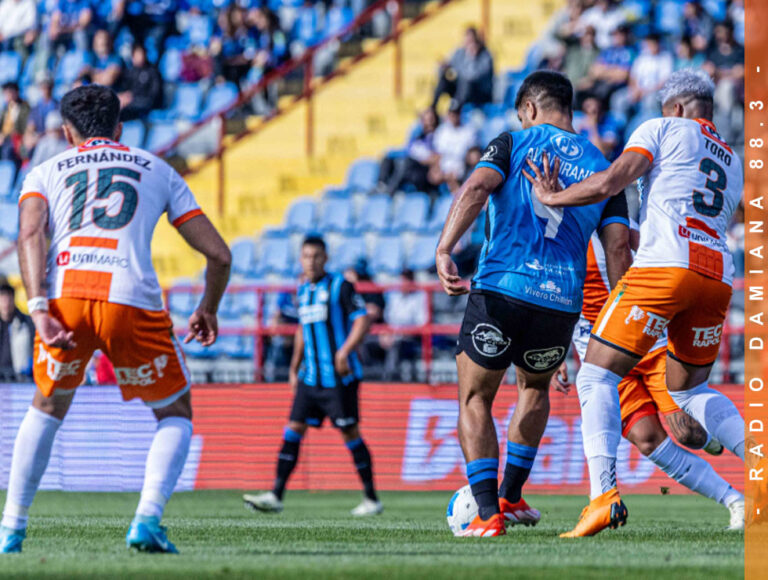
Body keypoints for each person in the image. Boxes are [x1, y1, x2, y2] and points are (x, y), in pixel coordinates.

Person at [0, 84, 232, 554]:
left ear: (68, 133)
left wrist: (39, 307)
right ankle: (146, 520)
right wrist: (207, 307)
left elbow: (29, 234)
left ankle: (11, 528)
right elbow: (219, 255)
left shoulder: (43, 170)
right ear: (119, 129)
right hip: (131, 299)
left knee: (47, 407)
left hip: (66, 298)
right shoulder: (158, 169)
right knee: (175, 413)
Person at [525, 69, 745, 537]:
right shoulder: (733, 159)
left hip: (664, 270)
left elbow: (612, 182)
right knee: (688, 394)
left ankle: (603, 497)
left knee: (596, 375)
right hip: (717, 275)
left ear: (678, 109)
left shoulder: (660, 128)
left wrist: (552, 195)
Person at [435, 70, 631, 537]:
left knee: (475, 397)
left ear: (529, 109)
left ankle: (487, 514)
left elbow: (477, 189)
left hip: (502, 289)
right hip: (561, 304)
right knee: (534, 390)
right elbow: (619, 249)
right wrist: (623, 317)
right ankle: (511, 495)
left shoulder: (512, 143)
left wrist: (445, 248)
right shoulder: (603, 167)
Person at [554, 225, 744, 530]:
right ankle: (735, 501)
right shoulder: (550, 240)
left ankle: (712, 438)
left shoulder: (611, 227)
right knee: (647, 440)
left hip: (647, 342)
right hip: (599, 356)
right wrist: (556, 351)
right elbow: (554, 299)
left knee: (689, 434)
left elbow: (659, 254)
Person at [243, 236, 382, 517]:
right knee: (292, 429)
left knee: (350, 432)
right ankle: (276, 494)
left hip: (339, 378)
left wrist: (344, 352)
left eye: (317, 256)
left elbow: (363, 318)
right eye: (306, 256)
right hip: (310, 378)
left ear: (326, 258)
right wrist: (294, 367)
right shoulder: (303, 290)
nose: (311, 261)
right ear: (301, 259)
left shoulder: (340, 286)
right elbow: (301, 331)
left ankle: (371, 499)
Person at [432, 27, 494, 109]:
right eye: (467, 41)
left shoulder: (486, 55)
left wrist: (472, 58)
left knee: (465, 82)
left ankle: (457, 109)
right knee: (444, 80)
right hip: (460, 89)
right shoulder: (459, 52)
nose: (469, 44)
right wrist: (444, 68)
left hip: (478, 92)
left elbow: (472, 76)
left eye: (471, 41)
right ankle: (433, 108)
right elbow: (443, 70)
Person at [117, 44, 163, 122]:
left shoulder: (153, 71)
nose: (140, 57)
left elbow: (154, 95)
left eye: (141, 54)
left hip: (146, 102)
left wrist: (133, 98)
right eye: (137, 54)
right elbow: (125, 89)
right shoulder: (130, 72)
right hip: (131, 102)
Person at [0, 279, 34, 382]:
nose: (6, 303)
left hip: (20, 378)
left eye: (9, 298)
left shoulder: (27, 322)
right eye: (3, 298)